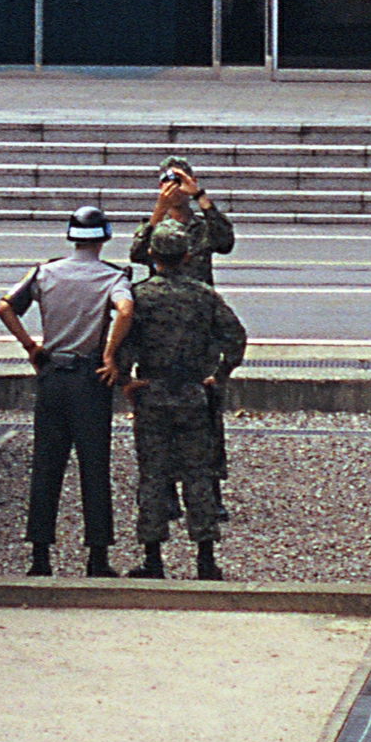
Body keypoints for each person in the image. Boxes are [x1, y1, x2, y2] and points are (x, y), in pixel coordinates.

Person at [0, 205, 135, 579]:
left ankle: (40, 556)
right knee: (95, 467)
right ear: (104, 237)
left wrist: (30, 346)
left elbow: (5, 307)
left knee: (46, 466)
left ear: (71, 237)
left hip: (53, 374)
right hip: (91, 379)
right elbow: (125, 309)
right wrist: (109, 353)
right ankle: (97, 557)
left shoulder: (45, 272)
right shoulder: (113, 276)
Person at [114, 222, 247, 581]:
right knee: (198, 475)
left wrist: (127, 379)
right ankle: (205, 558)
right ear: (187, 255)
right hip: (192, 394)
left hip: (152, 393)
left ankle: (153, 557)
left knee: (153, 475)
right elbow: (235, 337)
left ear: (153, 256)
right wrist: (219, 376)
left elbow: (122, 343)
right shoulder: (204, 295)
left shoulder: (139, 295)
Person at [130, 157, 234, 286]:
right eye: (168, 183)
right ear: (161, 186)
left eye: (180, 182)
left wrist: (199, 195)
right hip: (163, 298)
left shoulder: (204, 226)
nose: (175, 189)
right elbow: (137, 255)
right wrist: (160, 209)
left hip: (198, 298)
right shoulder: (154, 225)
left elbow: (225, 244)